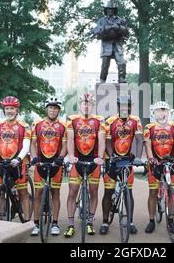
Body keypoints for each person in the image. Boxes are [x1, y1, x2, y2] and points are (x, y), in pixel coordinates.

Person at [63, 93, 106, 238]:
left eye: (89, 103)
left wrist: (100, 157)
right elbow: (69, 139)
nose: (86, 106)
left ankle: (90, 222)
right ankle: (70, 225)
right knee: (72, 191)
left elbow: (101, 141)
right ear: (80, 105)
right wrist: (70, 156)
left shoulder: (99, 120)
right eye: (84, 103)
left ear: (93, 106)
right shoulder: (72, 120)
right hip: (77, 160)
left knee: (93, 191)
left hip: (94, 161)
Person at [100, 95, 144, 235]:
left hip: (128, 160)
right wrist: (112, 155)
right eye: (122, 106)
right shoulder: (110, 121)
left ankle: (130, 222)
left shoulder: (135, 120)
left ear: (130, 106)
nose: (125, 108)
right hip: (112, 160)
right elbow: (107, 141)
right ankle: (105, 222)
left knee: (128, 192)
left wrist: (137, 156)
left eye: (127, 105)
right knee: (108, 191)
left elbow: (139, 139)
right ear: (118, 107)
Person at [143, 101, 174, 234]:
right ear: (154, 113)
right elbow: (147, 144)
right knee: (153, 192)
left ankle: (171, 220)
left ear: (168, 113)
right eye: (159, 111)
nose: (162, 113)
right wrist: (151, 159)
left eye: (164, 111)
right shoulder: (149, 127)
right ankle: (151, 220)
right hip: (155, 164)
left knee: (171, 193)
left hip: (170, 163)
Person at [0, 96, 32, 221]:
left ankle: (28, 222)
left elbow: (26, 145)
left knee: (22, 193)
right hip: (3, 164)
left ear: (17, 110)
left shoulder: (24, 126)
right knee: (1, 193)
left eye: (12, 108)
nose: (9, 111)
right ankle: (0, 221)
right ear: (4, 110)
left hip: (19, 164)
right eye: (7, 108)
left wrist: (19, 158)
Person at [30, 96, 67, 236]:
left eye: (55, 108)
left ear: (58, 110)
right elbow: (33, 144)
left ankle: (55, 223)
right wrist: (34, 157)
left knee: (55, 193)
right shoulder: (37, 124)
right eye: (51, 108)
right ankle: (36, 224)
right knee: (38, 194)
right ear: (46, 109)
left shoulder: (63, 126)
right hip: (40, 162)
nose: (53, 110)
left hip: (55, 163)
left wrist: (61, 158)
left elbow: (64, 146)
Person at [92, 0, 129, 83]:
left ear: (114, 10)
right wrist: (104, 29)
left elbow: (127, 32)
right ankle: (102, 79)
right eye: (108, 9)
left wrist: (119, 28)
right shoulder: (101, 21)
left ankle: (121, 78)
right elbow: (95, 31)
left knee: (122, 62)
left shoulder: (121, 20)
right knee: (105, 65)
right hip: (106, 46)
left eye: (112, 9)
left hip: (117, 45)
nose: (110, 10)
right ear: (106, 10)